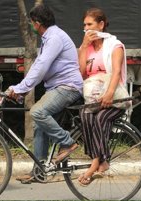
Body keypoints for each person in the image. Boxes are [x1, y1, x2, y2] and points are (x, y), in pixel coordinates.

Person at [6, 3, 84, 183]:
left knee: (37, 112)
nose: (32, 27)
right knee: (39, 125)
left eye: (32, 23)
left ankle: (68, 142)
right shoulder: (49, 38)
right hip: (57, 88)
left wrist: (20, 88)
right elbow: (39, 68)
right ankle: (39, 171)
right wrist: (22, 90)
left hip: (68, 87)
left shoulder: (55, 37)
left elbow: (40, 68)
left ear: (37, 23)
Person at [75, 8, 129, 186]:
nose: (86, 28)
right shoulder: (87, 48)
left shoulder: (115, 46)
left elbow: (115, 73)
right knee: (84, 115)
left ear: (101, 25)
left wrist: (109, 94)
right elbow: (82, 73)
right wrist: (83, 47)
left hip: (113, 99)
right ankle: (100, 161)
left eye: (90, 24)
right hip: (94, 99)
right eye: (84, 25)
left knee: (100, 119)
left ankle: (96, 164)